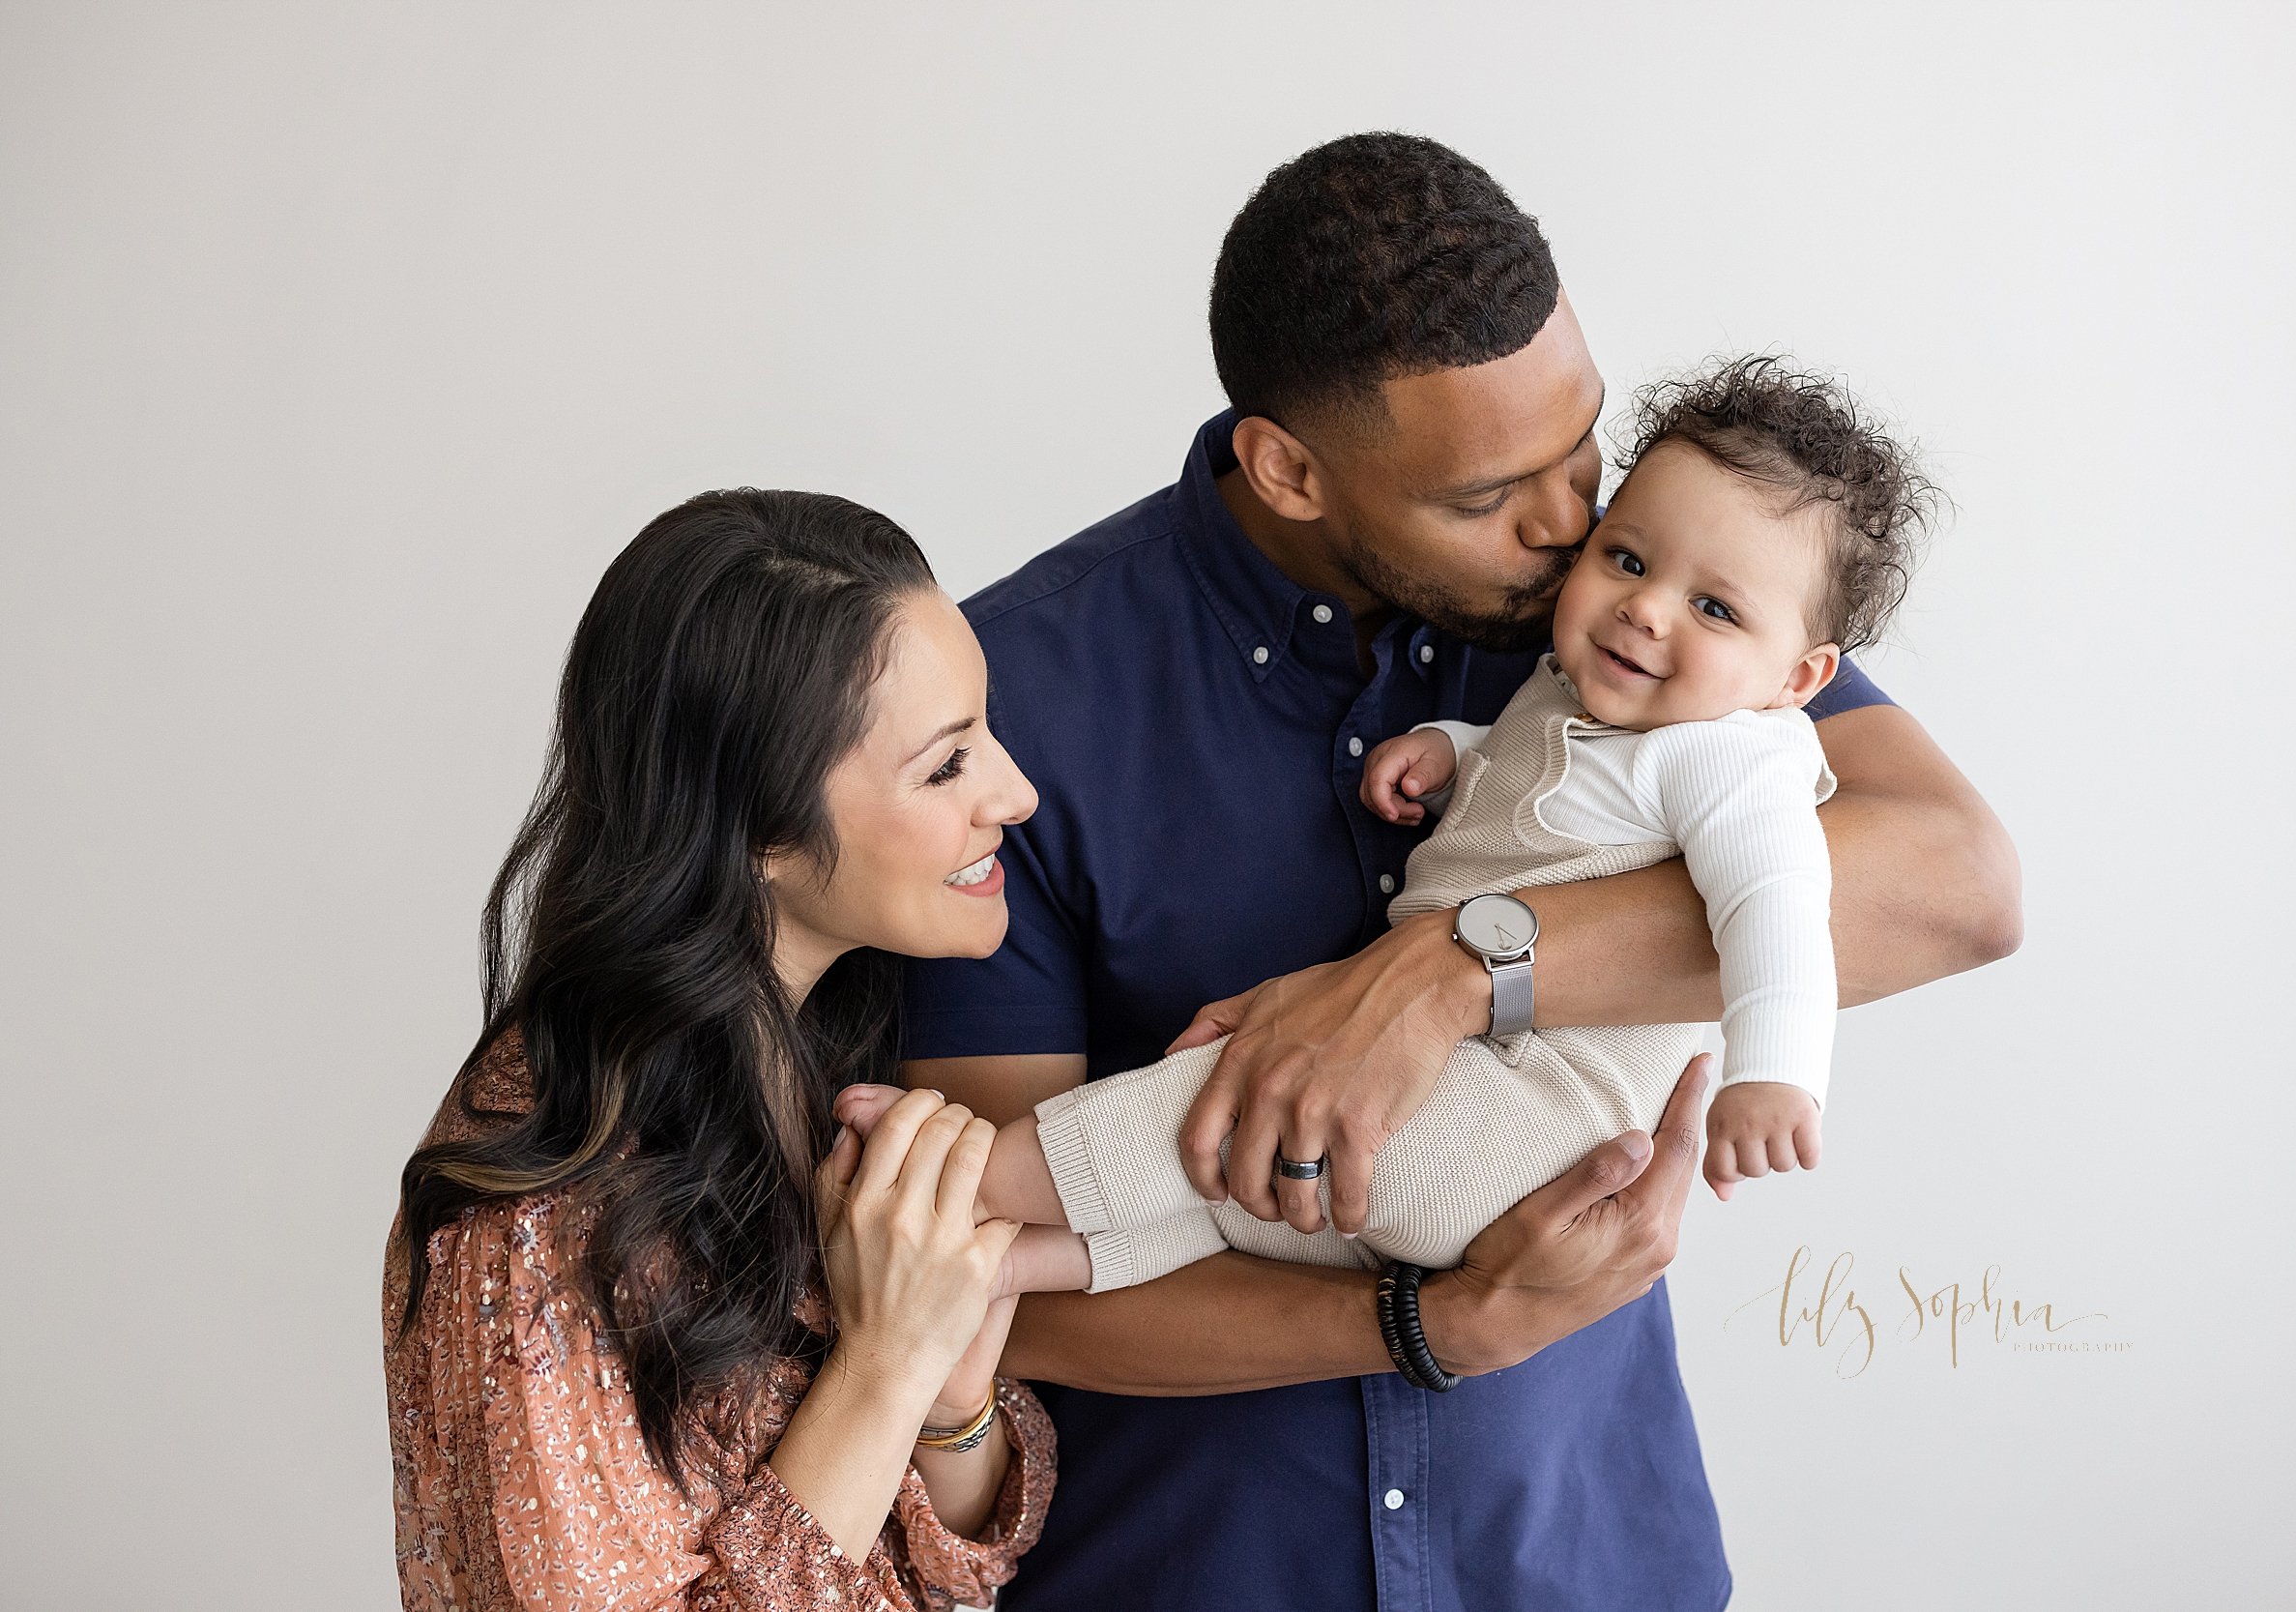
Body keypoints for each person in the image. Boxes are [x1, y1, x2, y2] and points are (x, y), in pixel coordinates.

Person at [897, 134, 2020, 1609]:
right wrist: (1430, 1321)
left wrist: (1451, 968)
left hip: (1583, 1558)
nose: (1570, 529)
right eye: (1497, 492)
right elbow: (983, 1286)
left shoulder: (1662, 599)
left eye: (1584, 450)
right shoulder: (1013, 701)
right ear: (1289, 468)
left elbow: (1955, 883)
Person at [843, 353, 1930, 1290]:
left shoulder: (1730, 753)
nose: (1641, 603)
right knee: (1244, 1190)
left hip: (1529, 1115)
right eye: (1630, 560)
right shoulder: (1594, 682)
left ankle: (974, 1180)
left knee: (1220, 1107)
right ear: (1291, 470)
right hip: (1464, 1122)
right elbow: (1553, 779)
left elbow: (1780, 898)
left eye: (1713, 607)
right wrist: (1455, 751)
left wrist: (1775, 1072)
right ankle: (1028, 1260)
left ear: (1801, 676)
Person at [383, 490, 1061, 1611]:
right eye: (945, 765)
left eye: (985, 733)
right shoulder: (534, 1220)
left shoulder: (822, 1061)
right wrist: (882, 1361)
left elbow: (946, 1562)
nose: (1017, 793)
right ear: (758, 831)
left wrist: (950, 1395)